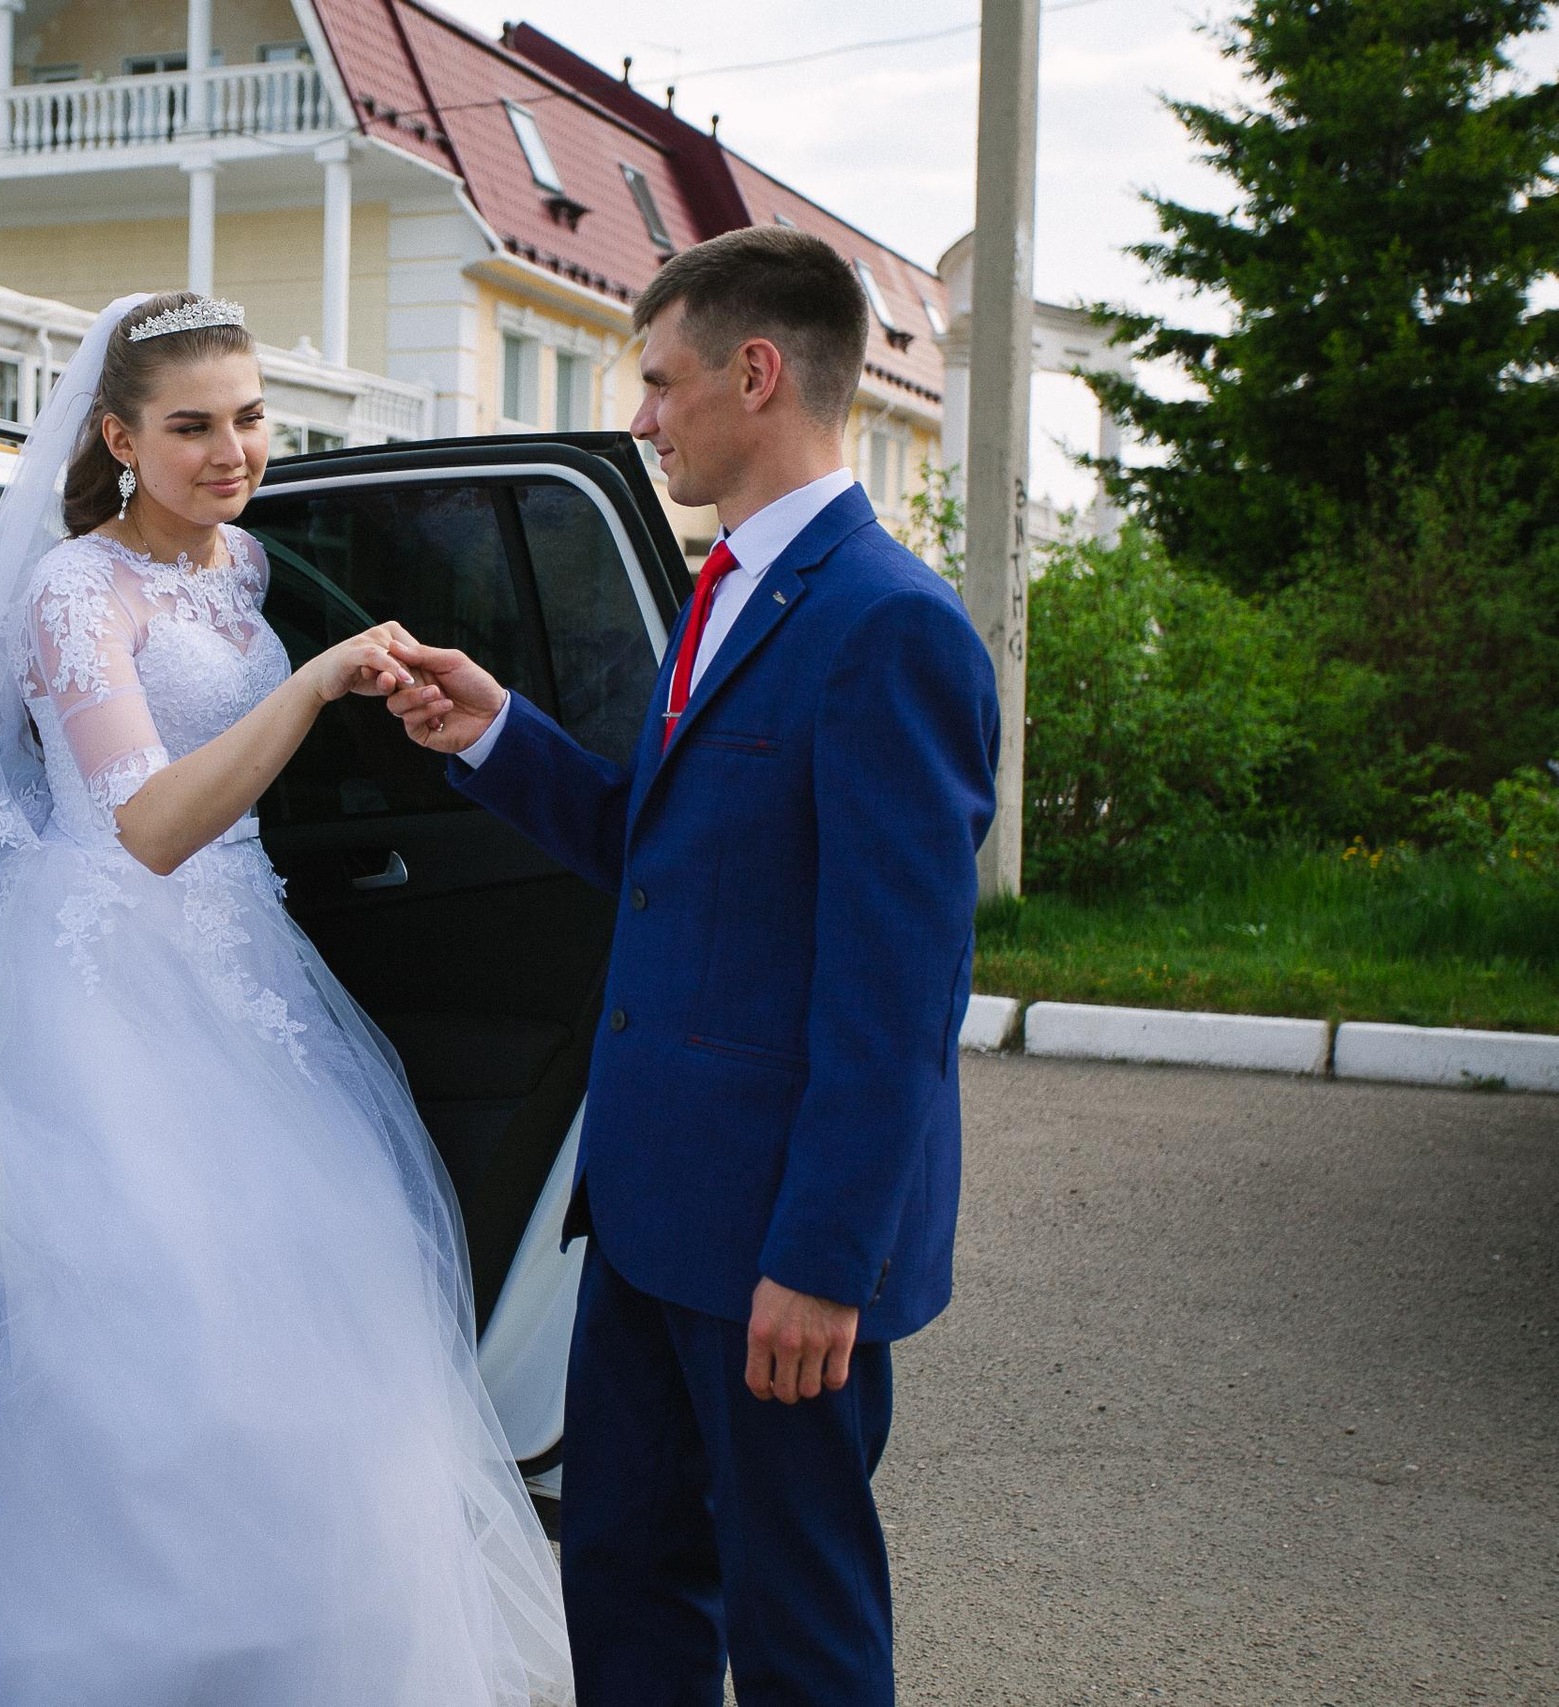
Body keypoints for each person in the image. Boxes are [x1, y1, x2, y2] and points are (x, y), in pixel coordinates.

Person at [0, 291, 571, 1707]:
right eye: (190, 425)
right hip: (100, 989)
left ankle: (306, 1653)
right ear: (118, 435)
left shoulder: (238, 565)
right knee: (144, 1341)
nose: (231, 448)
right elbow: (144, 826)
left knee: (319, 1317)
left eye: (249, 415)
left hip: (245, 965)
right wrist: (309, 687)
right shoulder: (75, 590)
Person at [386, 227, 1000, 1705]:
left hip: (778, 1245)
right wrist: (496, 735)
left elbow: (896, 996)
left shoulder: (890, 628)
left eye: (660, 382)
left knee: (799, 1624)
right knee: (623, 1572)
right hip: (653, 1213)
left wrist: (821, 1259)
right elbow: (668, 859)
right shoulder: (723, 586)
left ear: (759, 371)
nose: (643, 416)